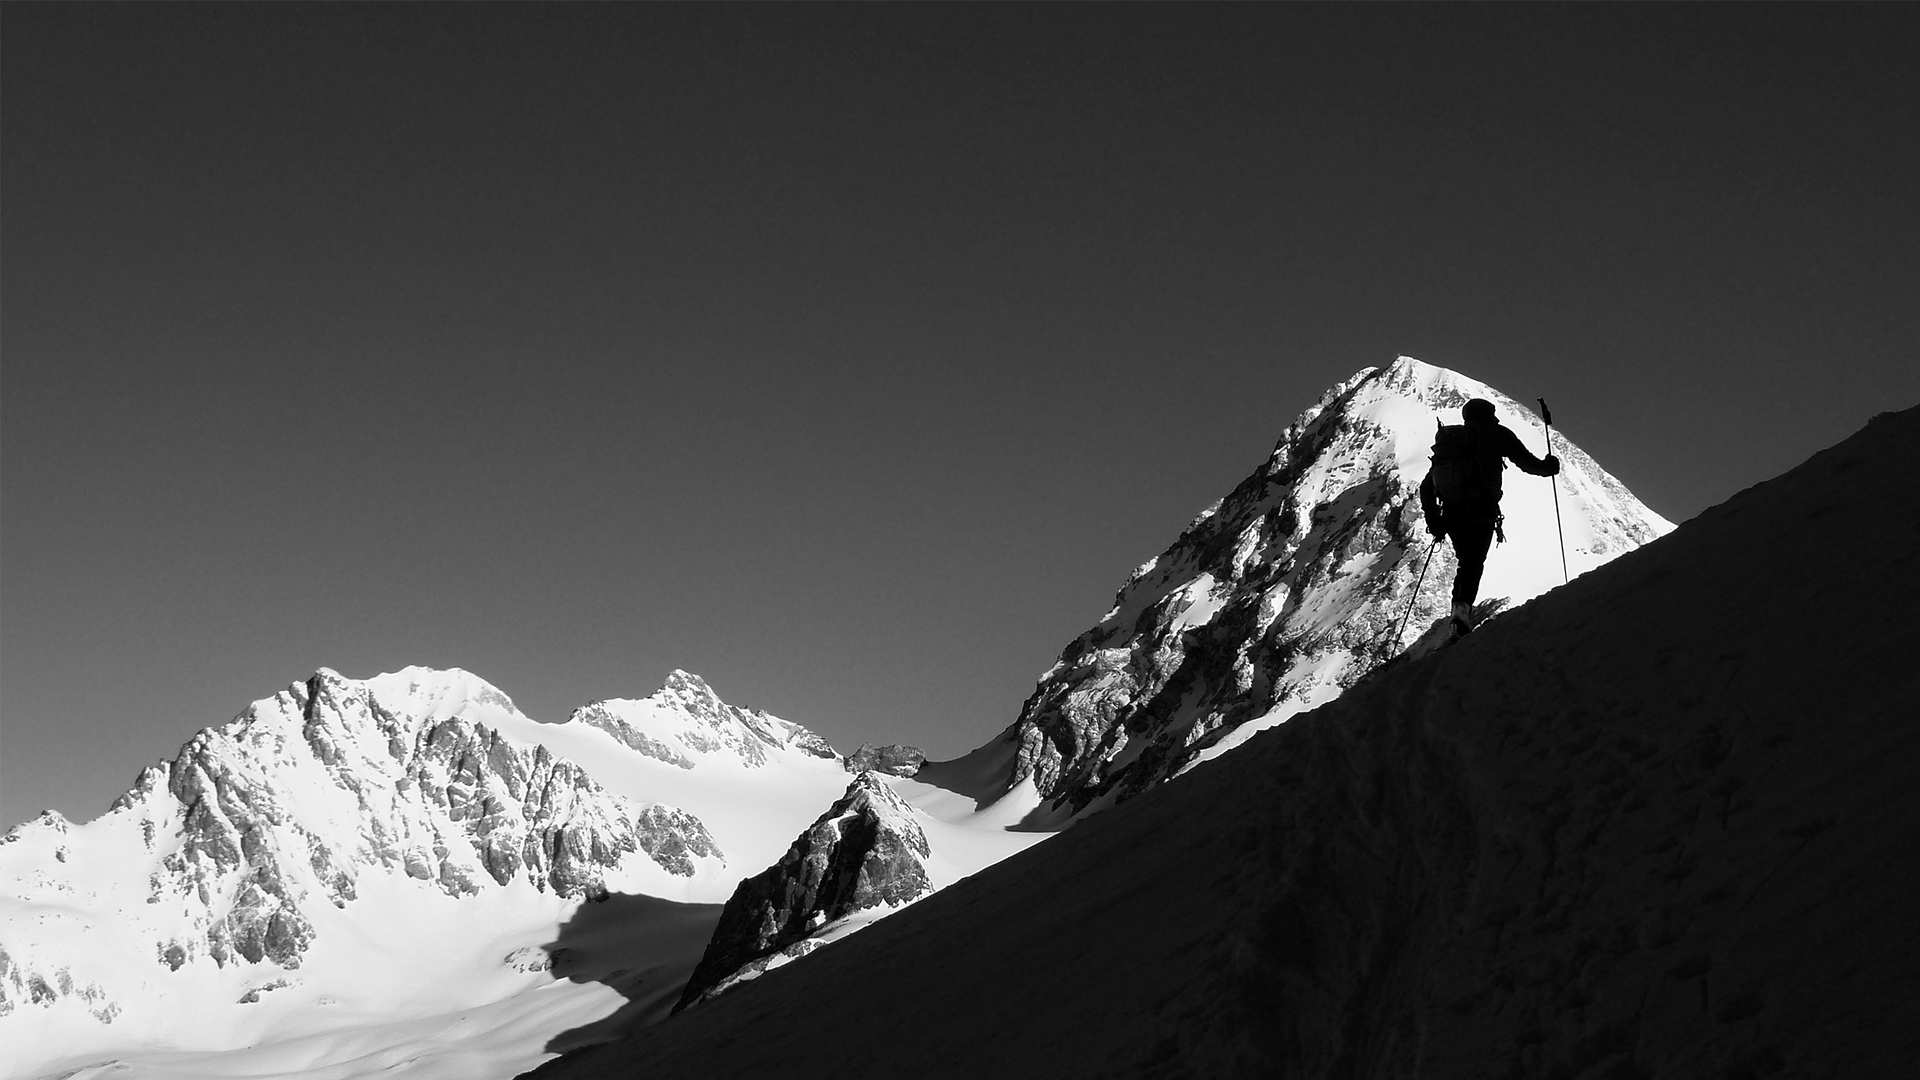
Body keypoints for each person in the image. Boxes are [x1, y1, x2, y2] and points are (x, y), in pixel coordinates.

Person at [1419, 397, 1560, 637]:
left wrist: (1434, 521)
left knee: (1466, 563)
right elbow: (1529, 464)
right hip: (1482, 510)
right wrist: (1549, 466)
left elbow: (1426, 487)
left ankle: (1458, 615)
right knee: (1473, 563)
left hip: (1451, 514)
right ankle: (1460, 617)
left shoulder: (1453, 444)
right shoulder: (1498, 434)